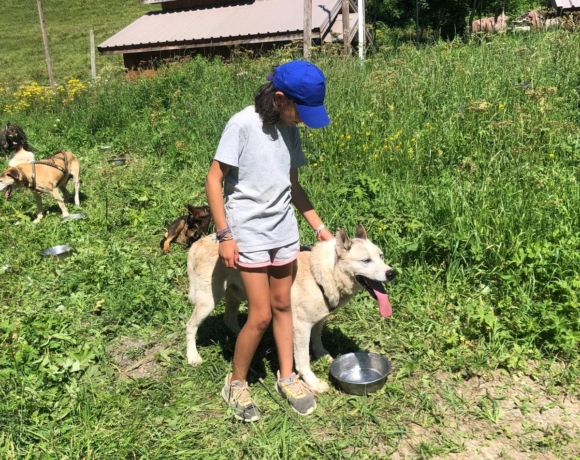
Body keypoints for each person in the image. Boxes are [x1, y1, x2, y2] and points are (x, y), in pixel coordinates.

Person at [205, 60, 335, 422]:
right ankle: (236, 383)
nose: (303, 121)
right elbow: (214, 181)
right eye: (301, 112)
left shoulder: (288, 129)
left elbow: (293, 186)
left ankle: (287, 376)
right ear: (280, 99)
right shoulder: (242, 124)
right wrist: (225, 235)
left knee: (283, 306)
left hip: (283, 234)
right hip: (249, 235)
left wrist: (319, 228)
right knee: (259, 316)